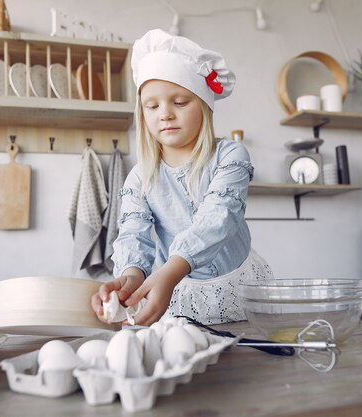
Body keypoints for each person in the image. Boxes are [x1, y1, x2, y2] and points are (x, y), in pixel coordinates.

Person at [91, 29, 273, 326]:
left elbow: (219, 218)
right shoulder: (139, 177)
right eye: (152, 106)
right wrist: (130, 277)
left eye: (179, 102)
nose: (165, 114)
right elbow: (132, 235)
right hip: (179, 294)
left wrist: (172, 270)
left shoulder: (231, 156)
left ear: (203, 105)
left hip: (238, 288)